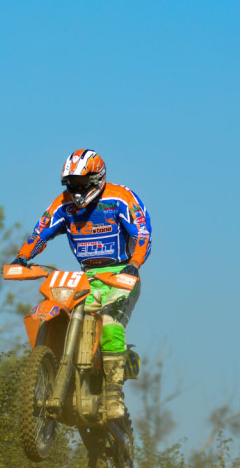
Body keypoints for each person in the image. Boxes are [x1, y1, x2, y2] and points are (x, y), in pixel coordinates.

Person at [11, 149, 152, 419]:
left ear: (96, 178)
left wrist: (134, 264)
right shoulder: (64, 204)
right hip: (85, 276)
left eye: (81, 183)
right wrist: (22, 256)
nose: (76, 189)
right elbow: (41, 230)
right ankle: (54, 374)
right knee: (57, 312)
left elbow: (143, 233)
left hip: (119, 276)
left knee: (110, 326)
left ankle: (113, 396)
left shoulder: (120, 198)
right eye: (71, 184)